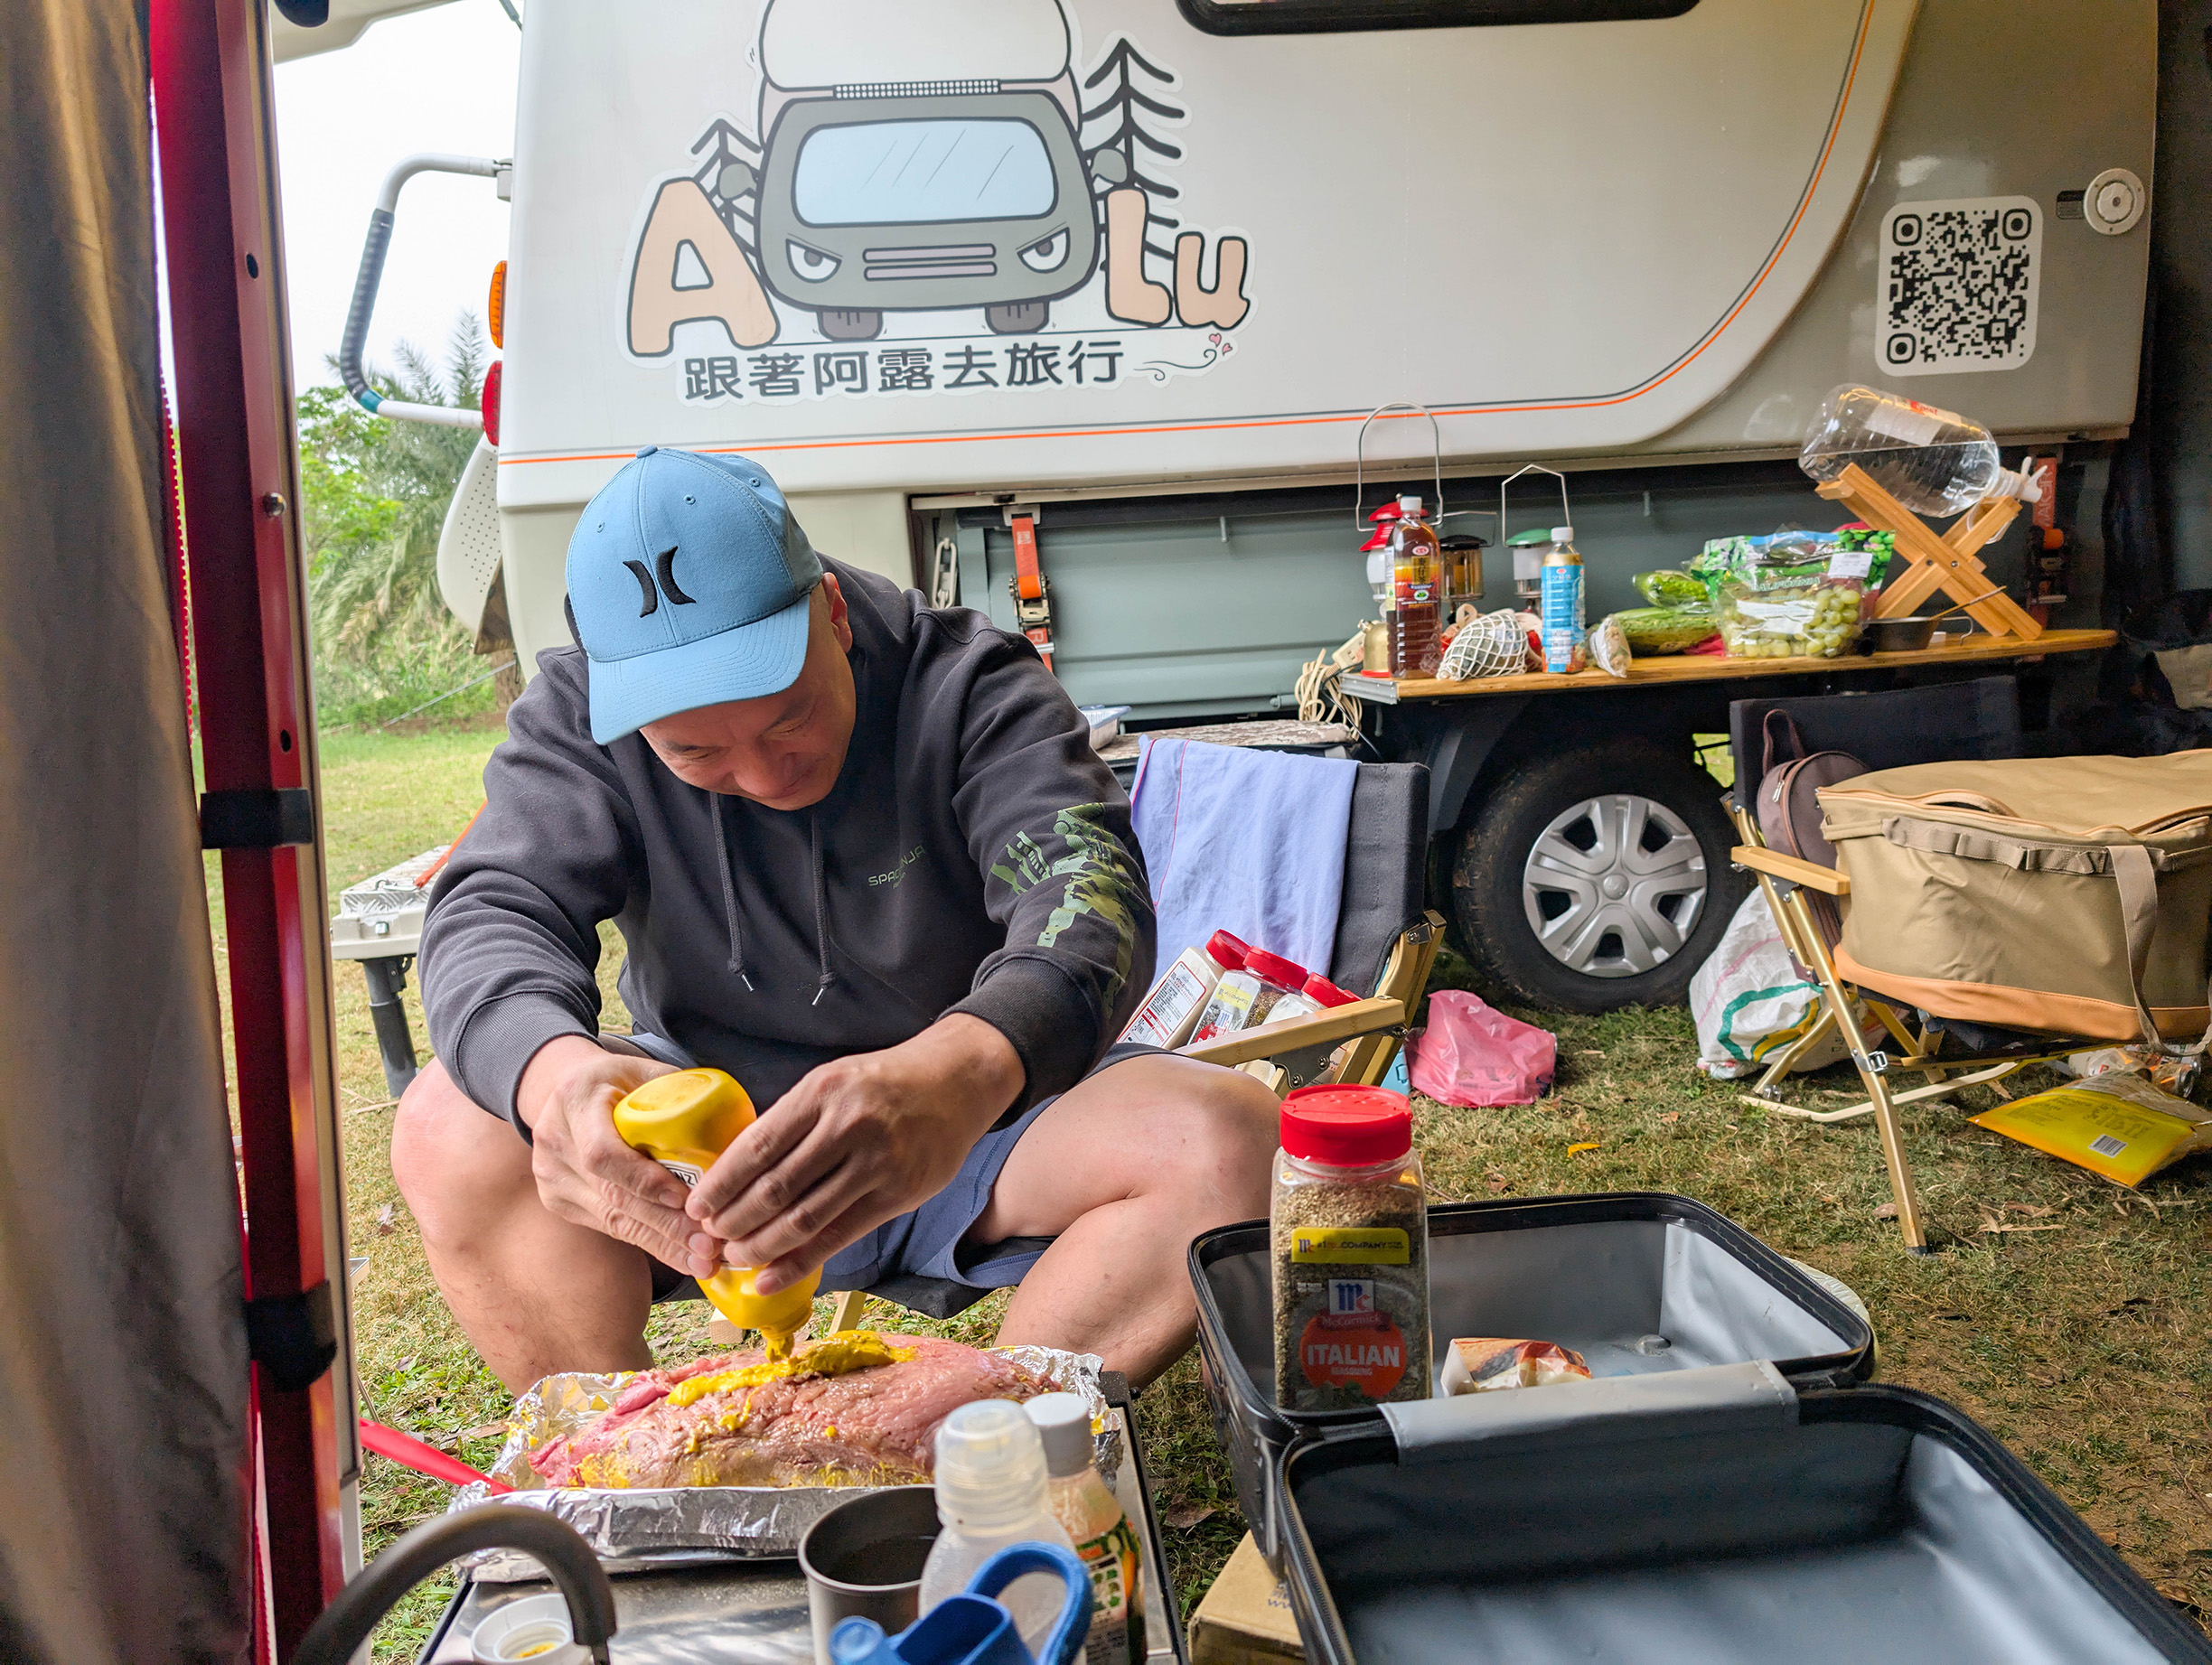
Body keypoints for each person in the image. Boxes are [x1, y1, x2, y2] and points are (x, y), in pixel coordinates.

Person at [392, 447, 1277, 1393]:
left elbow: (1089, 894)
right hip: (705, 1159)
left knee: (1231, 1141)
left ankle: (984, 1453)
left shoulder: (970, 681)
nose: (768, 777)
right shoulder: (580, 714)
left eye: (790, 718)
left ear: (834, 613)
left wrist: (963, 1071)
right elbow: (492, 907)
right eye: (696, 752)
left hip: (973, 1120)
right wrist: (550, 1079)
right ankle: (632, 1484)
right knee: (448, 1123)